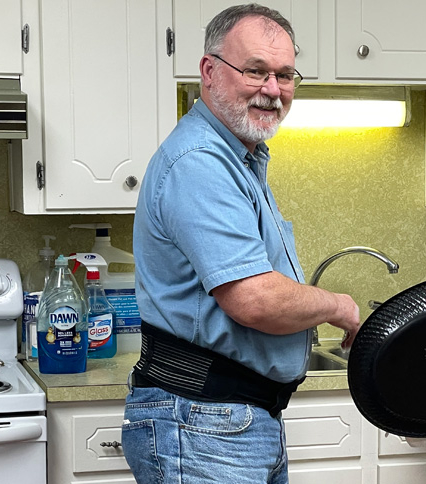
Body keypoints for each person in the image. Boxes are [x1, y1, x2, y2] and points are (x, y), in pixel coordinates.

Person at [123, 4, 361, 483]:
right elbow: (254, 299)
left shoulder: (242, 158)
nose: (272, 90)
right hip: (202, 420)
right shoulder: (199, 162)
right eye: (255, 71)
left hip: (231, 420)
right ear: (210, 71)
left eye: (285, 75)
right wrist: (337, 305)